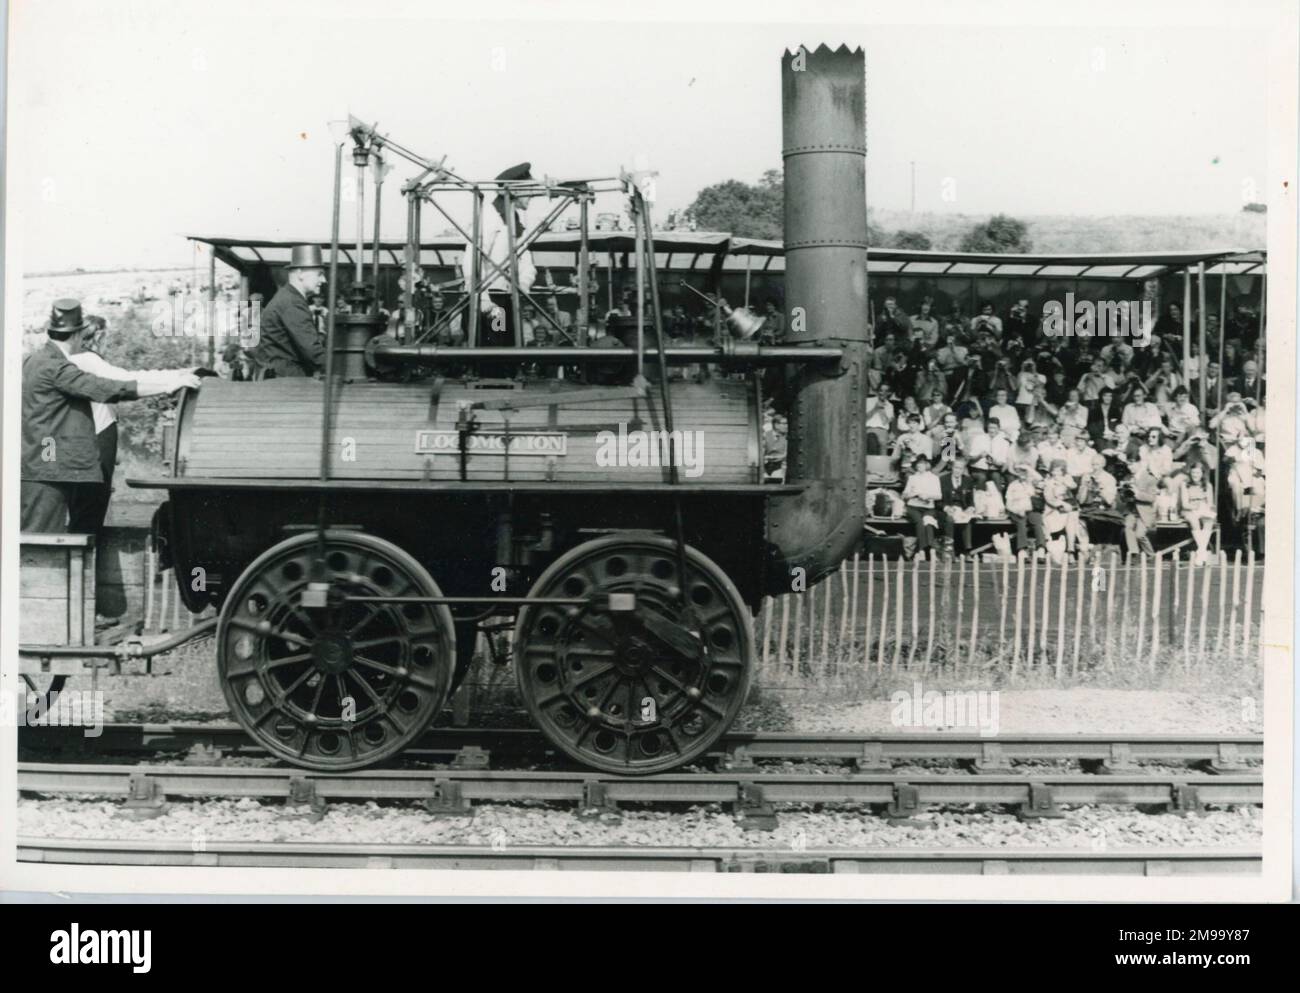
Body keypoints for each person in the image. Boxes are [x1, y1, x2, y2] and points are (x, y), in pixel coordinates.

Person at [22, 300, 196, 533]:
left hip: (43, 465)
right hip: (48, 470)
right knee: (39, 544)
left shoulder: (34, 360)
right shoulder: (56, 367)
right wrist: (169, 385)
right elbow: (107, 388)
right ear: (78, 334)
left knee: (42, 541)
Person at [66, 316, 199, 535]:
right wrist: (174, 380)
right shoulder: (89, 360)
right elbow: (127, 379)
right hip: (97, 437)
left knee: (83, 511)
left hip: (83, 439)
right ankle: (84, 564)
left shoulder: (73, 360)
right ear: (98, 335)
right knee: (90, 512)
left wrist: (178, 374)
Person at [460, 162, 538, 348]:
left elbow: (527, 263)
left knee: (509, 349)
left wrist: (523, 286)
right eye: (529, 190)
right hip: (490, 301)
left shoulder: (516, 222)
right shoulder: (490, 216)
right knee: (494, 349)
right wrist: (484, 298)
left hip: (508, 300)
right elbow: (473, 258)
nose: (533, 195)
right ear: (515, 191)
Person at [251, 245, 328, 377]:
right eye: (319, 274)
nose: (323, 280)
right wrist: (343, 368)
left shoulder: (287, 296)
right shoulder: (293, 302)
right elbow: (312, 351)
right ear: (300, 274)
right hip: (285, 380)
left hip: (276, 375)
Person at [901, 453, 942, 558]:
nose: (919, 466)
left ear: (927, 465)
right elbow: (904, 495)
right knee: (919, 522)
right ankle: (921, 550)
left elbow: (939, 496)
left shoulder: (934, 478)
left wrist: (927, 496)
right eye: (918, 464)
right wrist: (912, 494)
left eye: (922, 464)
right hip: (913, 507)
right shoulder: (912, 478)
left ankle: (931, 550)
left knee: (928, 522)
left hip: (928, 507)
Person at [1178, 461, 1216, 566]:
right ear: (1190, 473)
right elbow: (1185, 504)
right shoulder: (1185, 484)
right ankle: (1203, 553)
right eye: (1193, 473)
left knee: (1209, 521)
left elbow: (1210, 503)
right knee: (1194, 521)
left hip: (1203, 508)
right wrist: (1196, 506)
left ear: (1202, 474)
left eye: (1198, 473)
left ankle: (1200, 552)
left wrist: (1206, 508)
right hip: (1189, 509)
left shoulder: (1208, 485)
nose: (1195, 475)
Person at [939, 454, 977, 556]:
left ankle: (967, 551)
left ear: (963, 469)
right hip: (947, 510)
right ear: (952, 467)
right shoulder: (943, 480)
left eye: (960, 468)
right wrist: (946, 508)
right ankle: (950, 550)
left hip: (962, 510)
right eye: (956, 467)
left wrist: (971, 508)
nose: (957, 470)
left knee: (967, 519)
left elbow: (971, 500)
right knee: (949, 519)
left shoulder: (968, 480)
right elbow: (938, 500)